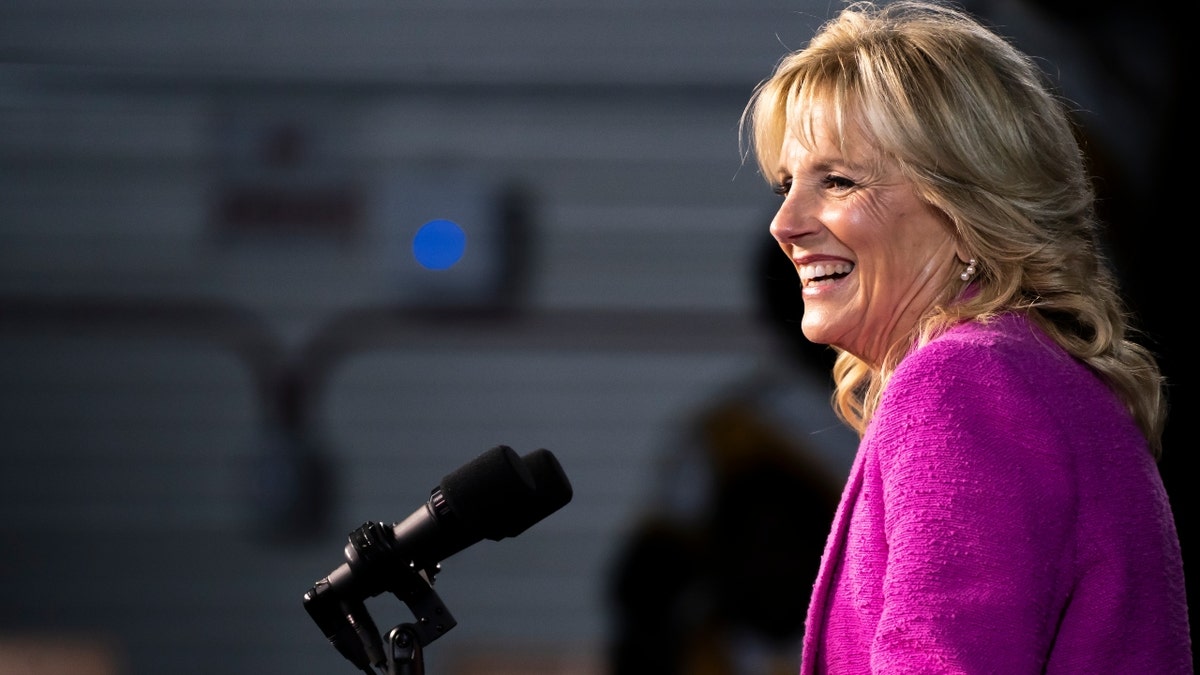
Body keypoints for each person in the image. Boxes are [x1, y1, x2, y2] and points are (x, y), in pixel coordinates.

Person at [737, 1, 1192, 672]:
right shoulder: (1028, 373)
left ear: (962, 205)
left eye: (836, 180)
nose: (785, 222)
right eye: (786, 183)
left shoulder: (960, 385)